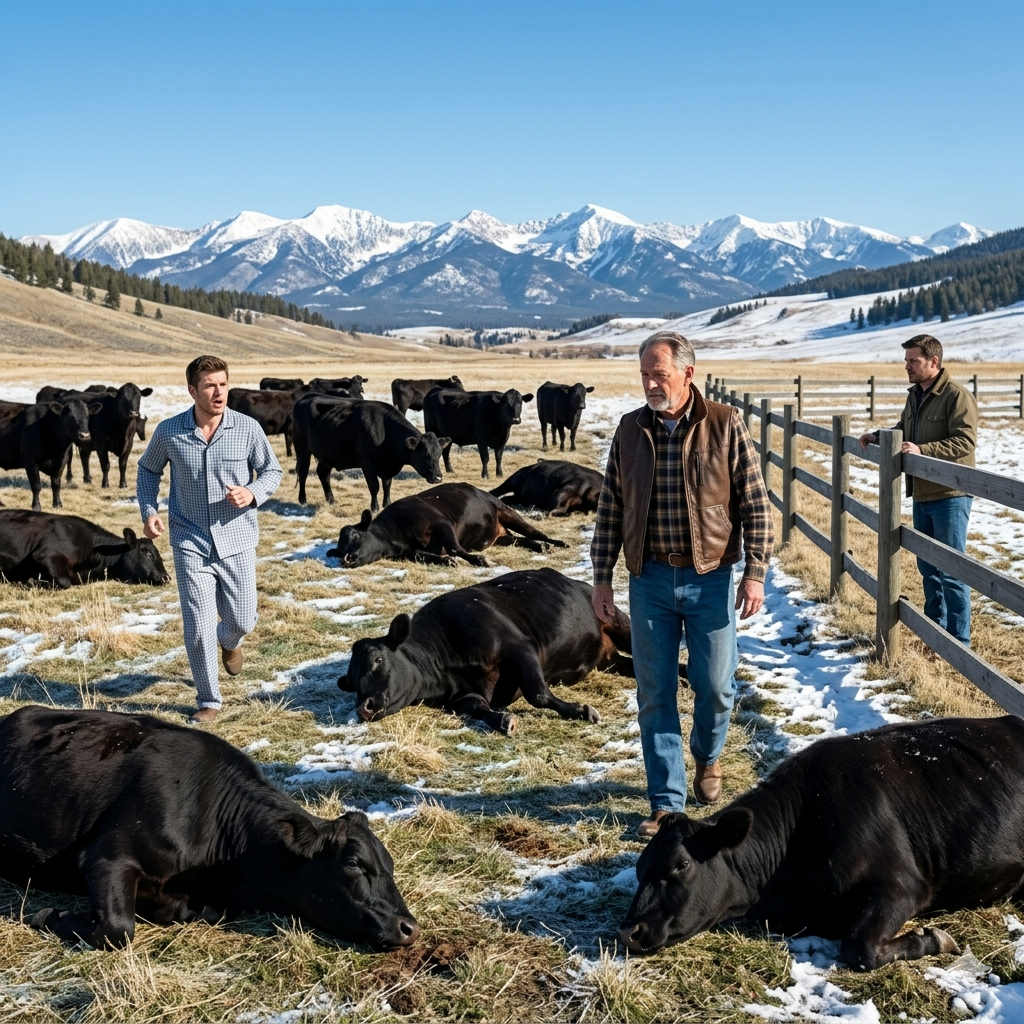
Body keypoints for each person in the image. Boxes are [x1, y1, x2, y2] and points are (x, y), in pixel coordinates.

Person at [590, 331, 773, 838]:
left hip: (710, 577)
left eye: (660, 374)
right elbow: (611, 509)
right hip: (648, 579)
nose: (651, 383)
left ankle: (708, 757)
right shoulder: (629, 430)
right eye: (645, 374)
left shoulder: (724, 424)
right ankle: (666, 803)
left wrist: (755, 572)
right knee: (655, 691)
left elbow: (756, 505)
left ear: (688, 374)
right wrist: (601, 579)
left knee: (715, 686)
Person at [137, 355, 283, 722]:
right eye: (209, 385)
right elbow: (147, 471)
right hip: (189, 539)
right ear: (192, 391)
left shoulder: (247, 428)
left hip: (236, 539)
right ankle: (209, 701)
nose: (219, 392)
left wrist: (252, 493)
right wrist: (149, 512)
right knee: (198, 623)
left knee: (243, 620)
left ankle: (230, 640)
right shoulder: (170, 432)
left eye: (223, 384)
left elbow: (272, 470)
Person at [859, 334, 977, 645]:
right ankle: (934, 632)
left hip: (950, 496)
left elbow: (964, 442)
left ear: (933, 362)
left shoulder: (956, 396)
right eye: (906, 361)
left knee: (952, 570)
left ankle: (959, 641)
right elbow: (903, 431)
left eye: (914, 361)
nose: (907, 366)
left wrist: (923, 451)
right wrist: (878, 436)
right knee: (927, 566)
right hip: (922, 494)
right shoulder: (915, 396)